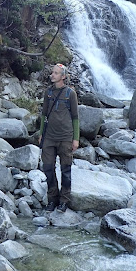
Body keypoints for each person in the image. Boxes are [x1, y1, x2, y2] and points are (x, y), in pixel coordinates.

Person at [38, 63, 79, 212]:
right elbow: (43, 115)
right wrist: (41, 133)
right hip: (49, 137)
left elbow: (75, 117)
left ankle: (64, 200)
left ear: (63, 76)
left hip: (66, 138)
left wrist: (76, 139)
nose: (52, 75)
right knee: (48, 168)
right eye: (52, 72)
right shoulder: (48, 93)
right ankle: (52, 199)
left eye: (56, 73)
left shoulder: (70, 94)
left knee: (65, 170)